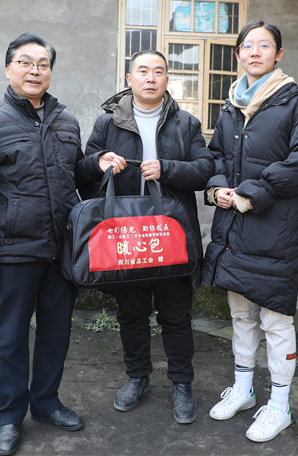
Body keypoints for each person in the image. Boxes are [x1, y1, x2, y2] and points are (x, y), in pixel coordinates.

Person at [0, 32, 85, 456]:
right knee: (11, 336)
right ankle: (11, 416)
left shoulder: (66, 122)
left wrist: (98, 165)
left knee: (57, 331)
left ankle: (47, 403)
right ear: (8, 68)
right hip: (14, 249)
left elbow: (74, 178)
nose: (35, 71)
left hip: (61, 247)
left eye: (43, 64)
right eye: (26, 63)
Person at [77, 50, 214, 424]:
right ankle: (137, 377)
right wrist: (100, 162)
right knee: (132, 314)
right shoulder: (108, 124)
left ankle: (182, 384)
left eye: (158, 71)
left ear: (168, 79)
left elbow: (205, 169)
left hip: (170, 236)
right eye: (143, 71)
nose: (150, 78)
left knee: (176, 315)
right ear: (129, 78)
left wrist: (167, 168)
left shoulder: (186, 123)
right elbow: (82, 171)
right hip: (126, 238)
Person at [203, 20, 298, 442]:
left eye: (265, 45)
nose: (255, 52)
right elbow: (216, 155)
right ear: (238, 54)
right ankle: (244, 389)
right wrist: (217, 189)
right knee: (241, 315)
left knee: (275, 319)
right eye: (247, 45)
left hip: (274, 230)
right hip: (235, 227)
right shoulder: (231, 105)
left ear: (278, 54)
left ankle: (279, 406)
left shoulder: (294, 101)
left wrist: (252, 194)